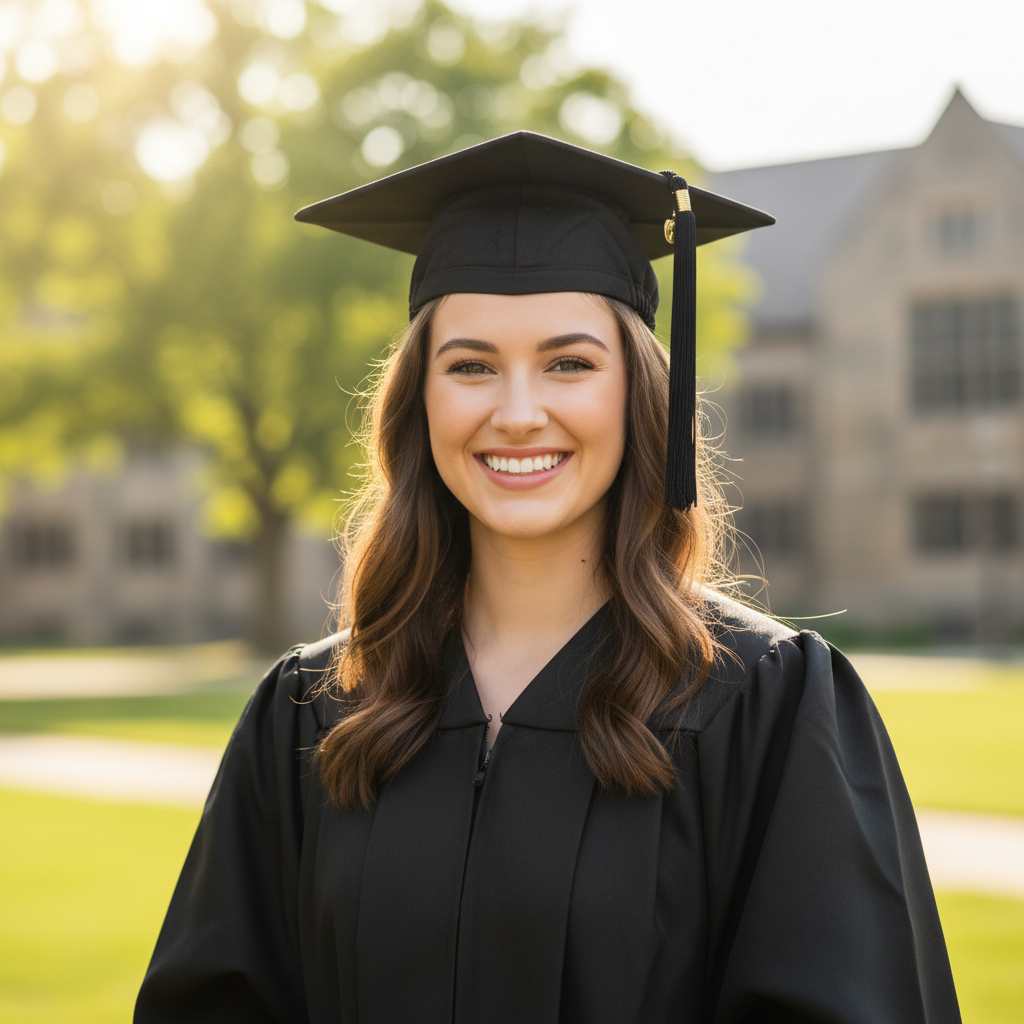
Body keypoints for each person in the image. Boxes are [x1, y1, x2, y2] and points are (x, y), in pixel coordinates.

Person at [135, 133, 960, 1024]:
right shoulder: (312, 712)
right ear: (420, 399)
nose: (518, 413)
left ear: (637, 391)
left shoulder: (766, 706)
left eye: (569, 363)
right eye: (472, 366)